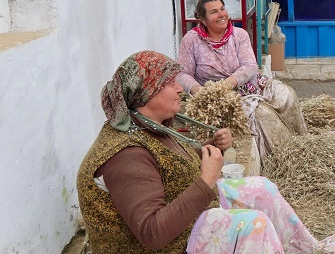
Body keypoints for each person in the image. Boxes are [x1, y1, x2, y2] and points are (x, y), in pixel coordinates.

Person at [76, 50, 318, 253]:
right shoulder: (126, 155)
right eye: (170, 83)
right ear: (146, 94)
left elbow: (167, 166)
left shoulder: (145, 124)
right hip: (163, 245)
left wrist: (208, 148)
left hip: (181, 215)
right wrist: (207, 180)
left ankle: (306, 249)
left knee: (263, 189)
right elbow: (151, 233)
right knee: (255, 226)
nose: (180, 89)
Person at [177, 0, 308, 159]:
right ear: (203, 19)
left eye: (222, 9)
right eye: (214, 12)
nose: (221, 14)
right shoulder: (191, 40)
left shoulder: (239, 35)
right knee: (263, 115)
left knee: (287, 94)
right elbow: (182, 74)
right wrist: (200, 91)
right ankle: (279, 156)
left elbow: (250, 66)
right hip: (223, 99)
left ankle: (302, 140)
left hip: (250, 85)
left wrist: (227, 83)